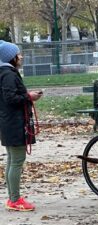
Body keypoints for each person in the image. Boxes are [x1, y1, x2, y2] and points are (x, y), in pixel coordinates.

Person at [0, 40, 43, 211]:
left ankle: (12, 197)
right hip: (14, 122)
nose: (21, 56)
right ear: (11, 58)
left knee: (12, 160)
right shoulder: (8, 74)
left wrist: (26, 94)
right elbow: (11, 98)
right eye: (18, 54)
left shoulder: (4, 73)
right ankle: (15, 199)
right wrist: (29, 97)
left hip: (8, 122)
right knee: (17, 160)